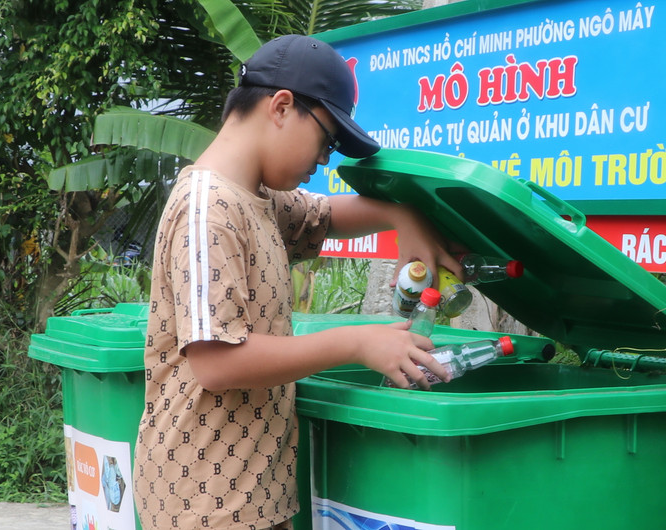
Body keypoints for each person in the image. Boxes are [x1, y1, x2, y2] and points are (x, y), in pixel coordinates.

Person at [133, 34, 462, 530]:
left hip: (251, 496)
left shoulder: (255, 196)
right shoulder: (207, 208)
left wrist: (402, 216)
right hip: (204, 504)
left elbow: (325, 216)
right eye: (326, 140)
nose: (325, 160)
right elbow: (216, 362)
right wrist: (356, 342)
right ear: (282, 107)